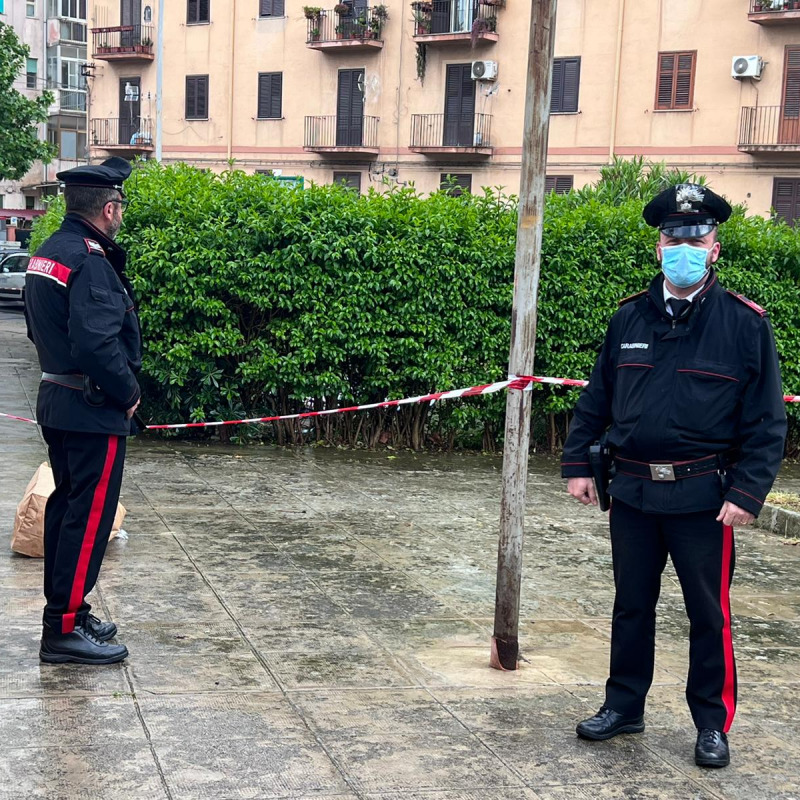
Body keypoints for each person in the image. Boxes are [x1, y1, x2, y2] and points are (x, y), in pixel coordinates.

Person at [561, 183, 786, 768]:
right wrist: (577, 463)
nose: (683, 247)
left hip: (704, 500)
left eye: (697, 238)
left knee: (708, 613)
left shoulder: (744, 324)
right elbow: (598, 397)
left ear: (714, 248)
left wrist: (747, 492)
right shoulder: (629, 317)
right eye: (672, 238)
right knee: (631, 605)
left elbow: (767, 420)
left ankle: (712, 723)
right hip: (633, 491)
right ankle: (624, 705)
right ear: (658, 246)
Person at [24, 157, 142, 665]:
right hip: (91, 407)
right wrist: (128, 392)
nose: (120, 217)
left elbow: (39, 329)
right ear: (109, 208)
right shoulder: (91, 260)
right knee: (88, 519)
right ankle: (63, 629)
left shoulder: (51, 251)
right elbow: (97, 344)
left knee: (66, 510)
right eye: (119, 208)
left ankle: (68, 612)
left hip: (59, 398)